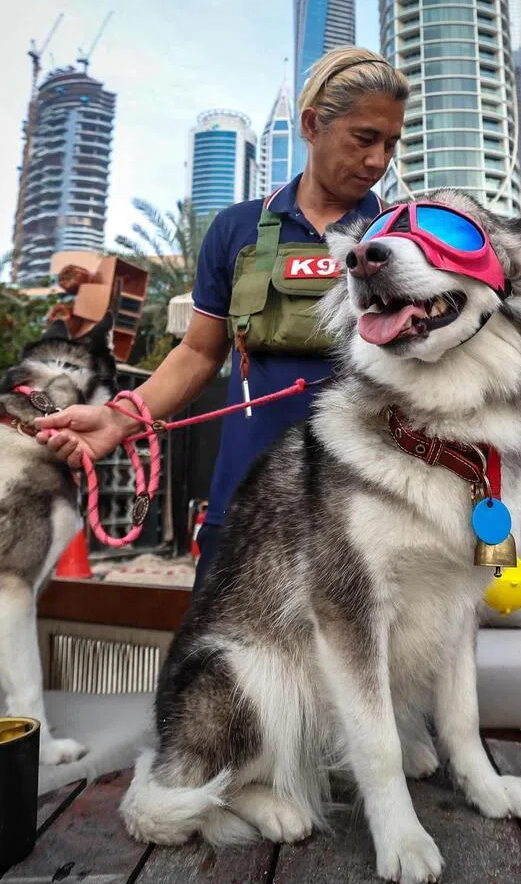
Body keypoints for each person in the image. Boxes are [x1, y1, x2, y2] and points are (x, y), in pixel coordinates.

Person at [35, 47, 409, 588]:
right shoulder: (237, 229)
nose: (379, 161)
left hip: (374, 503)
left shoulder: (407, 237)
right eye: (364, 138)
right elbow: (198, 353)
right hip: (246, 497)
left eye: (390, 144)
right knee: (228, 665)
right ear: (311, 125)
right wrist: (119, 419)